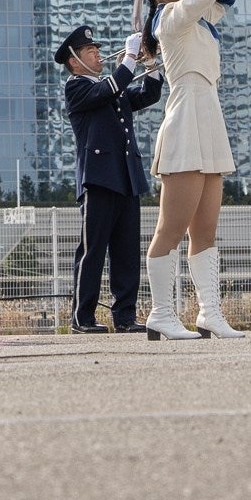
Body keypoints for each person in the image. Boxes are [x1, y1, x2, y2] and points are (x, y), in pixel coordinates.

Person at [133, 0, 251, 341]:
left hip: (209, 113)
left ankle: (209, 312)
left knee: (206, 227)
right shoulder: (171, 19)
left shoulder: (197, 17)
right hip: (185, 117)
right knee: (171, 227)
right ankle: (161, 311)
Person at [57, 24, 161, 333]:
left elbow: (148, 95)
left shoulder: (110, 85)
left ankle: (125, 317)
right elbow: (109, 89)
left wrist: (149, 64)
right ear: (74, 60)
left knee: (127, 252)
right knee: (93, 251)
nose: (98, 54)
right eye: (91, 50)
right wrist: (129, 57)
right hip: (98, 178)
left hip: (126, 177)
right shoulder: (76, 86)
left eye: (97, 49)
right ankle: (82, 318)